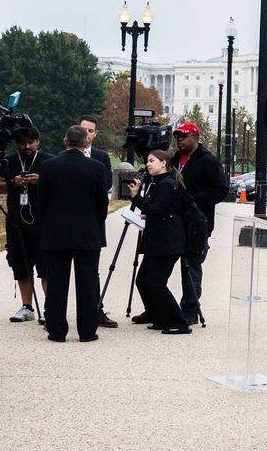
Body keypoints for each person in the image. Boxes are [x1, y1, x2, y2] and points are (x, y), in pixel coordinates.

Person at [35, 125, 110, 342]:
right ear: (86, 142)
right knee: (87, 283)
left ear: (65, 141)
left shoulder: (48, 167)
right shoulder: (96, 168)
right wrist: (95, 224)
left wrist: (49, 222)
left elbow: (42, 202)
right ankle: (87, 330)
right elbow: (102, 204)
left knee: (57, 283)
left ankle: (56, 330)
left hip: (56, 232)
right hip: (88, 233)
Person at [168, 122, 226, 328]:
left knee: (191, 266)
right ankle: (157, 306)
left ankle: (190, 310)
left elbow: (221, 190)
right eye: (177, 136)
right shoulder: (174, 159)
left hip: (197, 223)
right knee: (160, 263)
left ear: (195, 137)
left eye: (184, 136)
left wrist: (193, 200)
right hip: (174, 221)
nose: (179, 140)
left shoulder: (208, 161)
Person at [128, 149, 192, 333]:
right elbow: (162, 210)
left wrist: (136, 197)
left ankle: (179, 322)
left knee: (156, 282)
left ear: (164, 163)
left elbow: (157, 210)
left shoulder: (166, 183)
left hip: (167, 243)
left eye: (152, 161)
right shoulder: (160, 183)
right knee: (143, 280)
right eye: (147, 161)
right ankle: (158, 316)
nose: (148, 164)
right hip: (158, 242)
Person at [0, 126, 49, 323]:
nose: (27, 146)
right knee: (20, 264)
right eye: (22, 143)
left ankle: (50, 307)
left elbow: (59, 185)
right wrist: (13, 182)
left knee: (46, 266)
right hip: (17, 221)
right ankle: (27, 306)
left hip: (42, 220)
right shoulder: (8, 161)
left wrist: (40, 181)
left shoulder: (48, 160)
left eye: (31, 142)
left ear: (38, 141)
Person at [75, 114, 120, 328]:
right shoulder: (63, 155)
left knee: (91, 270)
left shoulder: (101, 158)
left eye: (90, 131)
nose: (87, 134)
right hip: (69, 220)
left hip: (92, 221)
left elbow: (106, 186)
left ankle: (95, 310)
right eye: (83, 130)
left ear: (95, 133)